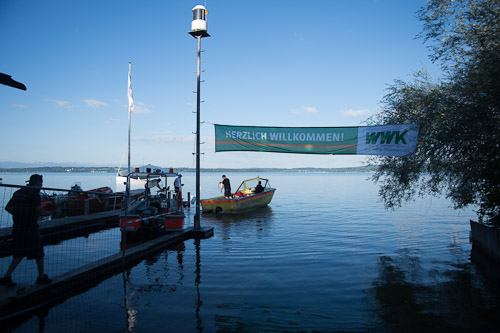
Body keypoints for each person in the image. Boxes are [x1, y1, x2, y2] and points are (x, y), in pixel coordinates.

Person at [0, 174, 55, 288]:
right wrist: (54, 212)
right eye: (41, 183)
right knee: (39, 252)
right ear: (38, 183)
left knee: (19, 253)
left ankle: (6, 277)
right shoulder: (34, 194)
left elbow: (8, 208)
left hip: (18, 227)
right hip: (30, 228)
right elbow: (41, 212)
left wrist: (19, 215)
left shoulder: (19, 192)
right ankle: (41, 277)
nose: (41, 185)